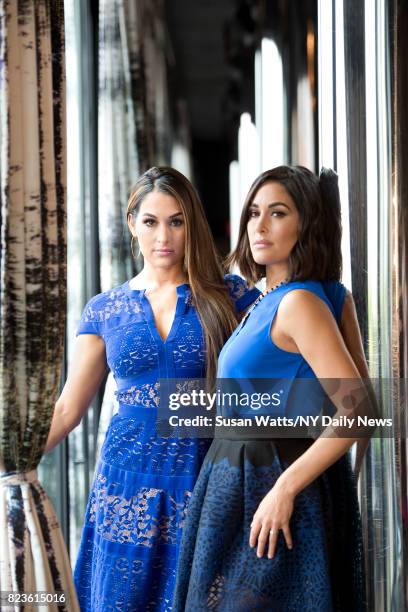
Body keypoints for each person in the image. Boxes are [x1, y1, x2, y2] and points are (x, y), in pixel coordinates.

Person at [44, 166, 260, 611]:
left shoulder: (230, 296)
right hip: (124, 483)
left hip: (201, 474)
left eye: (176, 221)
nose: (164, 236)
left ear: (191, 226)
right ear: (131, 224)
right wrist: (14, 457)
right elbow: (68, 409)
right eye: (151, 222)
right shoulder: (104, 309)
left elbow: (267, 385)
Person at [172, 166, 371, 611]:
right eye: (254, 212)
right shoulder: (311, 295)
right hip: (253, 480)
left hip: (265, 484)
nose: (259, 226)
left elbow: (359, 411)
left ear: (307, 224)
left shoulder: (300, 301)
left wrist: (286, 488)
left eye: (277, 213)